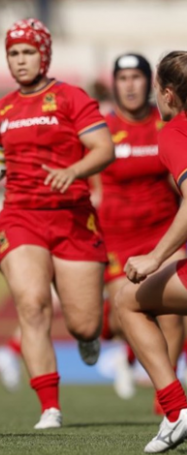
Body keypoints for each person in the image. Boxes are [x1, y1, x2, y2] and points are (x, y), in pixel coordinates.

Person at [0, 18, 114, 429]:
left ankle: (90, 336)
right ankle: (50, 407)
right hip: (21, 217)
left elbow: (104, 148)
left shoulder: (71, 98)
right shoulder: (1, 108)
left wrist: (74, 170)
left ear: (44, 54)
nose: (20, 61)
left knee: (84, 322)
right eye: (13, 54)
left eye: (27, 52)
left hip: (72, 217)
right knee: (32, 305)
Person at [96, 53, 183, 403]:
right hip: (118, 237)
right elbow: (93, 185)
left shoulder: (167, 127)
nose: (130, 85)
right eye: (123, 77)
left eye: (137, 77)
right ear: (114, 84)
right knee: (122, 313)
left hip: (163, 233)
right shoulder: (101, 129)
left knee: (171, 317)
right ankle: (104, 335)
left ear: (154, 86)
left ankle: (167, 404)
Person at [115, 50, 187, 454]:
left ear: (170, 94)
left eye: (157, 88)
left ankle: (176, 410)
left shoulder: (174, 132)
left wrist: (155, 257)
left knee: (129, 302)